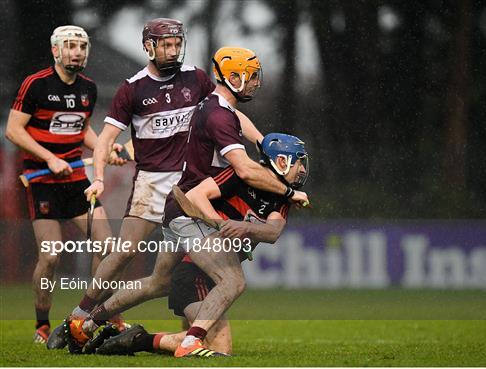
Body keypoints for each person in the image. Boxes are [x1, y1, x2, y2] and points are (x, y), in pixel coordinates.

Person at [63, 47, 309, 352]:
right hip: (192, 209)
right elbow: (245, 170)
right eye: (251, 77)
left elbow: (243, 134)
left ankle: (87, 323)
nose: (256, 83)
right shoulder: (219, 115)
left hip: (182, 205)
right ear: (233, 77)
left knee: (158, 282)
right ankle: (189, 342)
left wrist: (264, 143)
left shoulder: (219, 108)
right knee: (232, 281)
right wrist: (288, 191)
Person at [90, 132, 309, 357]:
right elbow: (196, 196)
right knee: (220, 337)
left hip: (212, 279)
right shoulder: (240, 175)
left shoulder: (282, 197)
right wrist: (217, 222)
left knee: (162, 289)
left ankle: (136, 338)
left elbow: (273, 232)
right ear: (282, 161)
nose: (302, 169)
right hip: (193, 276)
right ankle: (117, 328)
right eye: (299, 162)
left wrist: (246, 228)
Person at [4, 25, 124, 343]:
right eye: (70, 46)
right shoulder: (36, 84)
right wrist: (49, 158)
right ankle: (42, 324)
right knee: (52, 256)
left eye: (82, 47)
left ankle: (99, 313)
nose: (77, 52)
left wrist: (103, 149)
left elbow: (82, 129)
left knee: (108, 247)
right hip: (42, 180)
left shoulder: (88, 88)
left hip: (76, 181)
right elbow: (14, 130)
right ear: (56, 50)